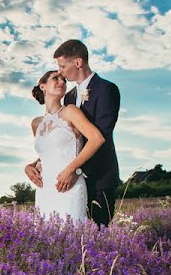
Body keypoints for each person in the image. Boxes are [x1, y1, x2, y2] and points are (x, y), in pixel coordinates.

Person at [25, 39, 121, 226]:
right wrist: (34, 164)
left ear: (77, 62)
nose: (60, 72)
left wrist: (76, 170)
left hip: (98, 176)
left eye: (62, 66)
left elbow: (101, 135)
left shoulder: (106, 89)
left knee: (96, 239)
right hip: (61, 180)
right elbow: (65, 142)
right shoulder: (68, 97)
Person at [25, 69, 104, 221]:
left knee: (73, 236)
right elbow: (47, 153)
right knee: (46, 239)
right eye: (56, 78)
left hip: (69, 186)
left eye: (64, 80)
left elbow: (96, 139)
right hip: (44, 189)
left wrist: (71, 169)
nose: (62, 82)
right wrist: (29, 166)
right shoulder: (36, 123)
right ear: (43, 86)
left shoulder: (70, 111)